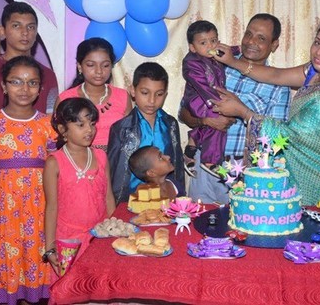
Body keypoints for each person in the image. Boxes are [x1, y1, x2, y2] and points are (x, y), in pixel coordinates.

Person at [212, 17, 320, 205]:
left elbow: (290, 138)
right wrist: (232, 62)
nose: (319, 52)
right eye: (317, 43)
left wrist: (243, 112)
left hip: (315, 189)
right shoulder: (316, 73)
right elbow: (275, 75)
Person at [0, 56, 56, 304]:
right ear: (4, 86)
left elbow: (54, 175)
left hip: (37, 214)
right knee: (3, 266)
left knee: (32, 266)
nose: (24, 88)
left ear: (40, 88)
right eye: (16, 81)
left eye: (32, 82)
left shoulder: (48, 126)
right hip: (1, 215)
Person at [180, 13, 291, 204]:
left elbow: (276, 138)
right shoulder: (216, 62)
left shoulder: (279, 86)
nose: (251, 41)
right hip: (203, 166)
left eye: (261, 38)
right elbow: (184, 113)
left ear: (274, 45)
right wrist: (205, 121)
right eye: (249, 34)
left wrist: (241, 110)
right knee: (198, 219)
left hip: (241, 173)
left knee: (238, 223)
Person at [43, 98, 116, 281]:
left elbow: (108, 197)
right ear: (62, 129)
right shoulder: (54, 163)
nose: (89, 129)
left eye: (92, 123)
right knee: (71, 286)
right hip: (69, 241)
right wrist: (50, 247)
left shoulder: (101, 156)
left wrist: (115, 230)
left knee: (98, 285)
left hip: (100, 236)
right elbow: (51, 207)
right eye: (81, 125)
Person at [107, 62, 185, 204]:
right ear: (133, 91)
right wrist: (118, 208)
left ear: (165, 95)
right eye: (145, 93)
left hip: (167, 202)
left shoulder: (171, 124)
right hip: (132, 202)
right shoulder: (121, 129)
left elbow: (177, 165)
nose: (152, 100)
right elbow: (115, 174)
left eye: (159, 94)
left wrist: (180, 200)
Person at [0, 1, 58, 124]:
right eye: (16, 26)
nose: (25, 32)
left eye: (30, 27)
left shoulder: (48, 75)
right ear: (2, 31)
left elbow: (51, 125)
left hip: (40, 136)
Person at [57, 37, 132, 151]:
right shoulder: (65, 99)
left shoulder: (123, 97)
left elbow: (129, 137)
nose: (99, 71)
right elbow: (59, 138)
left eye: (105, 65)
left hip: (116, 159)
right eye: (91, 65)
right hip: (78, 160)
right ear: (79, 66)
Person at [181, 20, 230, 177]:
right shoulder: (191, 62)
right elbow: (202, 86)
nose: (210, 46)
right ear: (192, 47)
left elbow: (229, 51)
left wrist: (239, 49)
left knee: (210, 125)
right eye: (203, 43)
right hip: (199, 100)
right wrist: (218, 105)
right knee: (219, 122)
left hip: (207, 99)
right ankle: (210, 160)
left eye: (213, 40)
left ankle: (190, 149)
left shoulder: (215, 57)